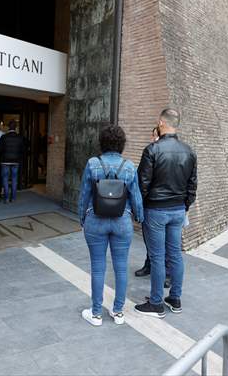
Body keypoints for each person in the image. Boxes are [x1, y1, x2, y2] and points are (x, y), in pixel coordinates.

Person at [78, 125, 144, 326]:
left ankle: (96, 313)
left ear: (102, 143)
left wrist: (83, 217)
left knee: (98, 268)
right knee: (121, 268)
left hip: (95, 221)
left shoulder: (92, 164)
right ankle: (118, 312)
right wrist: (139, 217)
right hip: (122, 222)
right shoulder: (129, 166)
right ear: (122, 144)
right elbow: (136, 197)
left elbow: (84, 195)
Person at [134, 108, 197, 318]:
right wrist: (184, 205)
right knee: (175, 255)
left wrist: (139, 208)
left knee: (158, 257)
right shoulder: (189, 151)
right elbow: (192, 185)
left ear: (161, 122)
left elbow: (141, 184)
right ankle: (175, 299)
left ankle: (156, 303)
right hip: (178, 209)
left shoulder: (152, 150)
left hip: (156, 210)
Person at [134, 127, 170, 289]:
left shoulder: (160, 153)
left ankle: (167, 273)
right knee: (150, 241)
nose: (153, 138)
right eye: (153, 135)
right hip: (153, 205)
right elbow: (142, 177)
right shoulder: (151, 152)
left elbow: (144, 182)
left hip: (163, 206)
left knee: (168, 244)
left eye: (155, 136)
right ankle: (149, 265)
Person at [0, 120, 25, 203]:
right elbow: (23, 150)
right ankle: (13, 198)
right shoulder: (20, 137)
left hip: (5, 161)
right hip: (16, 161)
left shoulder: (3, 137)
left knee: (5, 179)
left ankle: (6, 198)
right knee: (14, 179)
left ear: (8, 127)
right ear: (15, 127)